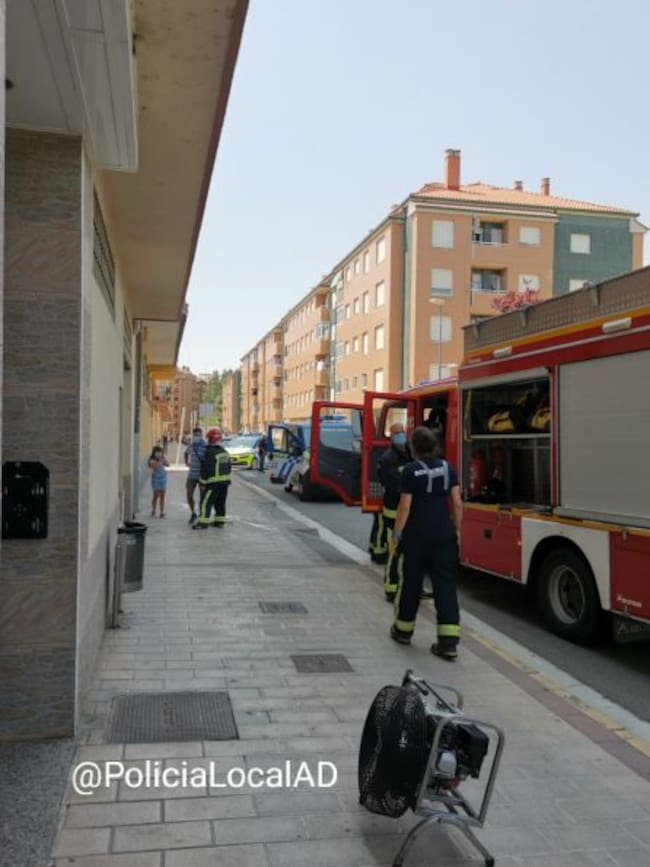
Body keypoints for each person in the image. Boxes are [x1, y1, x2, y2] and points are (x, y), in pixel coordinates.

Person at [389, 426, 462, 660]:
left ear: (414, 448)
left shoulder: (410, 471)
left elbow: (405, 506)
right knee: (445, 587)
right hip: (444, 536)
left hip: (417, 538)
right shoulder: (448, 468)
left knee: (411, 584)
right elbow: (457, 503)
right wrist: (457, 529)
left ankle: (403, 631)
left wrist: (397, 535)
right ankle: (448, 643)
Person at [376, 423, 411, 602]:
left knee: (409, 553)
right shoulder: (388, 458)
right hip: (393, 512)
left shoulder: (409, 452)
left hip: (408, 512)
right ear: (392, 436)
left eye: (402, 432)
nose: (401, 436)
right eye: (397, 433)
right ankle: (391, 586)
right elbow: (394, 486)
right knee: (395, 550)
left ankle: (407, 586)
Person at [193, 427, 232, 529]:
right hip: (225, 483)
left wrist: (202, 482)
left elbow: (207, 469)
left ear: (210, 439)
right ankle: (219, 522)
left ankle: (202, 523)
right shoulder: (224, 452)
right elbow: (229, 467)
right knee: (220, 503)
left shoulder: (210, 453)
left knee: (206, 502)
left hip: (213, 483)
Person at [184, 427, 207, 525]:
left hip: (202, 475)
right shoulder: (191, 445)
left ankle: (202, 514)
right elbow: (185, 453)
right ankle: (193, 513)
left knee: (202, 496)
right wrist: (186, 463)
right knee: (189, 495)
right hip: (192, 475)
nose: (196, 437)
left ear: (201, 435)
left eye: (198, 435)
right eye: (195, 435)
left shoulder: (205, 446)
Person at [148, 445, 169, 518]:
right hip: (155, 480)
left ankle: (162, 512)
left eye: (160, 452)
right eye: (157, 452)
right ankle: (153, 511)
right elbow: (155, 467)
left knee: (162, 496)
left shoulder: (162, 459)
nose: (159, 454)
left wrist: (164, 460)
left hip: (163, 479)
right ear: (154, 453)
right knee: (155, 496)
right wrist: (159, 460)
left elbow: (168, 465)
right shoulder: (152, 460)